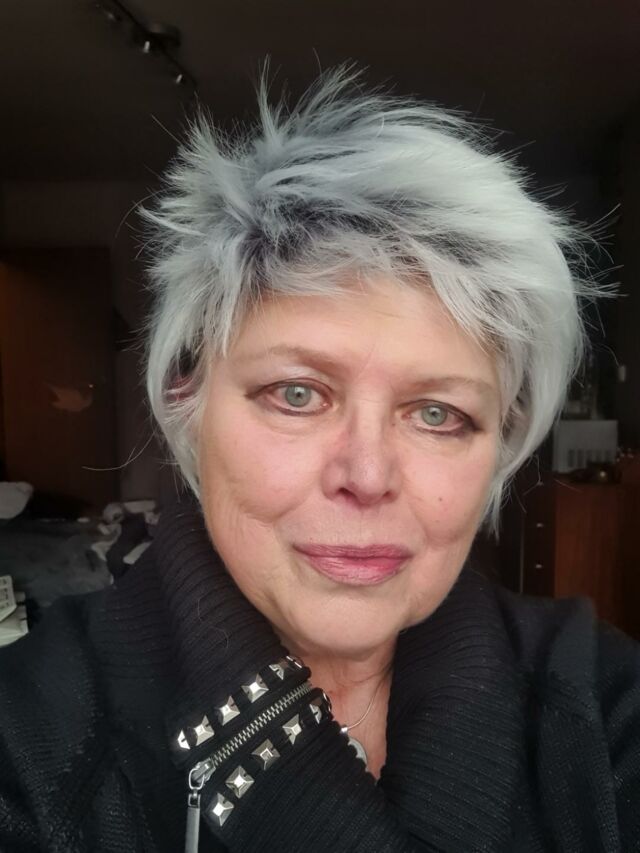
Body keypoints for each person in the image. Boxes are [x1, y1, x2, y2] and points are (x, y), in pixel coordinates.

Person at [1, 64, 638, 853]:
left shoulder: (600, 704)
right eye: (297, 394)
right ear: (187, 403)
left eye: (438, 413)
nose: (367, 475)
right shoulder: (30, 736)